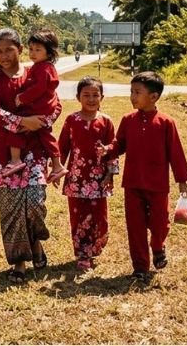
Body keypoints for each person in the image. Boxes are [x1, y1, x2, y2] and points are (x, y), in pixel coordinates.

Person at [96, 71, 187, 282]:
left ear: (154, 96)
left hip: (157, 185)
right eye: (131, 91)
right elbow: (119, 144)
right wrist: (108, 150)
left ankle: (158, 246)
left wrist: (182, 182)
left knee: (160, 223)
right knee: (135, 226)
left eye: (137, 92)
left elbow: (176, 153)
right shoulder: (128, 120)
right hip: (132, 183)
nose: (132, 96)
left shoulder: (166, 122)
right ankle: (140, 267)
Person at [0, 28, 61, 283]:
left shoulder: (36, 71)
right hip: (6, 153)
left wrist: (42, 121)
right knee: (10, 208)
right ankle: (18, 262)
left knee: (35, 204)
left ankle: (36, 243)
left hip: (36, 151)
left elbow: (55, 102)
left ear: (19, 49)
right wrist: (21, 122)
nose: (3, 55)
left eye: (8, 49)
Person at [58, 76, 119, 272]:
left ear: (102, 97)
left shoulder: (106, 121)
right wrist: (57, 169)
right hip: (76, 179)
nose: (91, 99)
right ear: (78, 97)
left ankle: (95, 246)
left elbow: (113, 149)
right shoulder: (71, 120)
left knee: (99, 217)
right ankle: (82, 254)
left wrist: (111, 174)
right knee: (78, 217)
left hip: (99, 179)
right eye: (86, 95)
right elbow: (62, 147)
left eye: (95, 95)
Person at [2, 29, 67, 185]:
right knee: (47, 136)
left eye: (38, 50)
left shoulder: (43, 68)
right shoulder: (40, 67)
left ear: (49, 52)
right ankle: (57, 166)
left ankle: (15, 160)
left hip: (37, 108)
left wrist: (22, 97)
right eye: (31, 49)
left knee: (16, 125)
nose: (33, 53)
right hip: (42, 109)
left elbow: (39, 88)